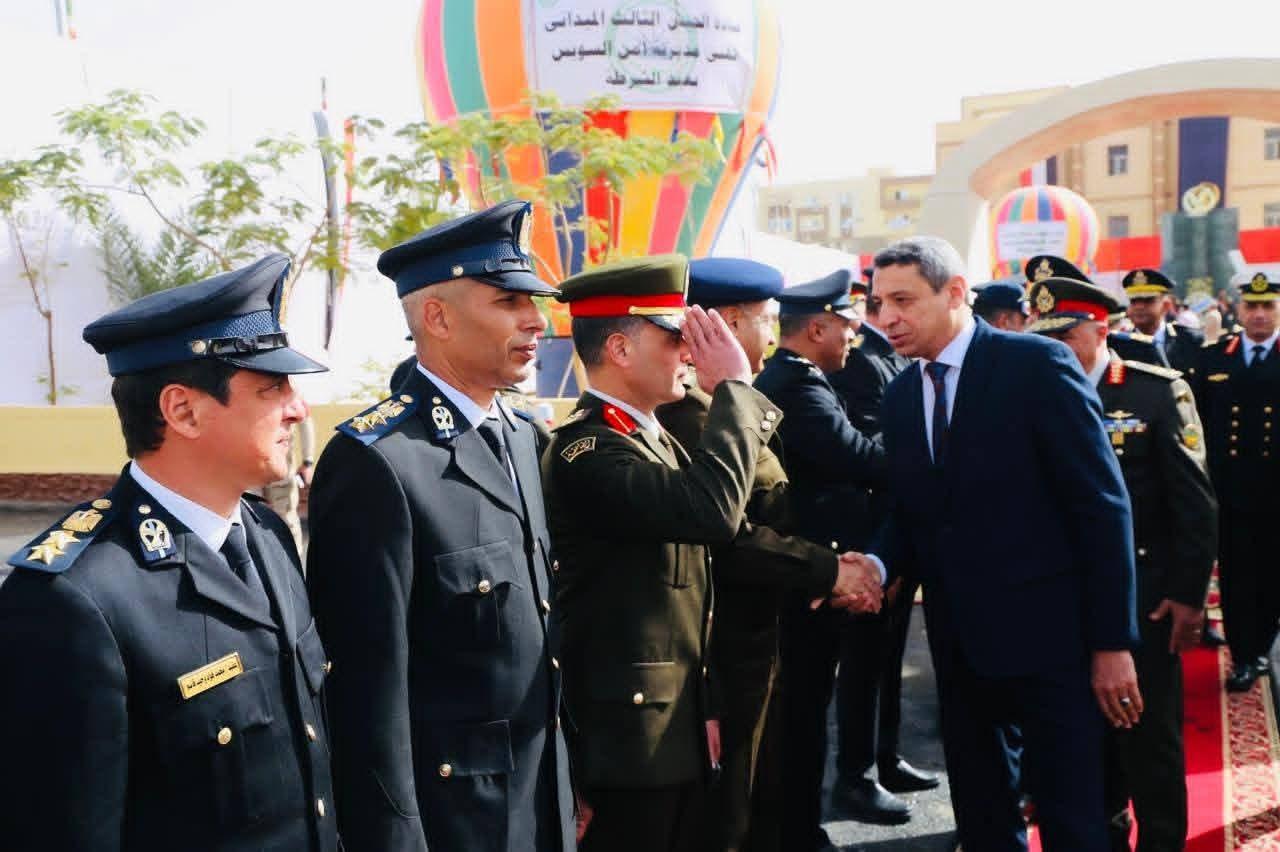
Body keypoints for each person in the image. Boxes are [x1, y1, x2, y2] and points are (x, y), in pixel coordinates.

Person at [0, 254, 338, 852]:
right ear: (183, 410)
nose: (298, 408)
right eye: (272, 387)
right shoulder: (71, 599)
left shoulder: (267, 534)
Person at [306, 201, 574, 852]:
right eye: (509, 302)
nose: (536, 321)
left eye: (532, 302)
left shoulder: (523, 438)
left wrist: (569, 788)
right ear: (437, 317)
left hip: (540, 802)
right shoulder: (381, 462)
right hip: (454, 821)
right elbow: (367, 691)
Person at [856, 237, 1140, 850]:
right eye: (879, 304)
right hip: (959, 646)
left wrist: (1112, 642)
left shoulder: (1035, 365)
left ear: (956, 292)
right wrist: (876, 563)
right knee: (984, 815)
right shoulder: (901, 396)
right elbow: (913, 510)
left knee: (1072, 817)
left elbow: (1101, 506)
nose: (887, 318)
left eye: (904, 300)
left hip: (1053, 643)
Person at [542, 254, 792, 852]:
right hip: (624, 746)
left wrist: (705, 705)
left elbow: (690, 602)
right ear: (620, 350)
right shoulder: (589, 451)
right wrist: (734, 389)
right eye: (675, 337)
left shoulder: (650, 440)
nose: (689, 353)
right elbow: (713, 514)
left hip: (670, 727)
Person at [654, 258, 882, 852]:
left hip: (762, 629)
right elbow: (732, 536)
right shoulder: (688, 413)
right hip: (724, 646)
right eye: (766, 319)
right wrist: (830, 571)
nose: (776, 334)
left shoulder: (723, 402)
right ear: (729, 323)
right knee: (732, 809)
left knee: (765, 793)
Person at [1028, 270, 1216, 851]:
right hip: (1063, 599)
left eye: (1064, 336)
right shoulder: (1034, 396)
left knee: (1149, 741)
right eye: (1044, 338)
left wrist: (1188, 596)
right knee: (1085, 748)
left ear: (1099, 330)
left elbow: (1194, 504)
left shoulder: (1154, 392)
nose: (1054, 349)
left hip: (1145, 597)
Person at [753, 270, 902, 844]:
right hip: (808, 576)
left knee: (808, 706)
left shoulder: (803, 379)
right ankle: (798, 829)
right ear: (817, 329)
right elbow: (858, 457)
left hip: (817, 566)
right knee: (802, 712)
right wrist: (914, 432)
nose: (852, 337)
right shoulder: (798, 386)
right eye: (845, 326)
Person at [1193, 272, 1280, 692]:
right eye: (1252, 306)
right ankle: (1245, 655)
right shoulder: (1214, 359)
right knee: (1237, 575)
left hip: (1276, 490)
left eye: (1268, 306)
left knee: (1272, 574)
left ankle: (1263, 645)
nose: (1259, 314)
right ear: (1239, 310)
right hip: (1229, 491)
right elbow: (1195, 426)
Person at [1122, 268, 1204, 379]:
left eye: (1148, 300)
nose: (1139, 306)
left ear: (1166, 305)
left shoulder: (1191, 340)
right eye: (1134, 301)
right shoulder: (1119, 346)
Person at [261, 413, 315, 553]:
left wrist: (308, 461)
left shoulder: (289, 399)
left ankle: (293, 562)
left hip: (280, 470)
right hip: (247, 468)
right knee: (249, 518)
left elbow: (304, 417)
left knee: (287, 519)